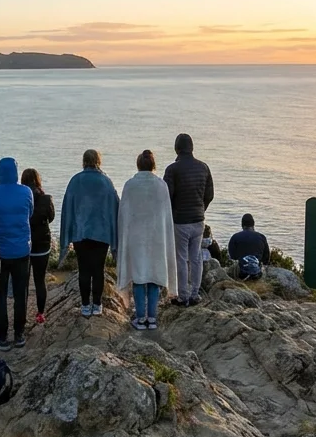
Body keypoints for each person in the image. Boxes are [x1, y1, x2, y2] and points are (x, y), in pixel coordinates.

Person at [116, 151, 176, 331]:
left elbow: (123, 214)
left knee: (139, 277)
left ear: (138, 165)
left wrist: (122, 238)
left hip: (136, 238)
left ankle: (140, 318)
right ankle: (152, 318)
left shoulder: (130, 185)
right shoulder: (161, 186)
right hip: (156, 237)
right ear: (153, 166)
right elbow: (166, 216)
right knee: (153, 277)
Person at [58, 149, 119, 317]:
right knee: (98, 269)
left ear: (83, 161)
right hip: (102, 234)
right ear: (99, 161)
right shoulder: (106, 181)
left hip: (80, 232)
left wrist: (68, 233)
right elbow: (114, 207)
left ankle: (85, 305)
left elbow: (67, 209)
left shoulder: (75, 181)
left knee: (84, 269)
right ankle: (97, 305)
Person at [0, 157, 34, 350]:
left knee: (0, 294)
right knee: (21, 293)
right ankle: (19, 334)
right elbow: (29, 213)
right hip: (22, 250)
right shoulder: (26, 192)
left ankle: (2, 336)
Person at [163, 133, 214, 306]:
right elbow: (209, 195)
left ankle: (183, 296)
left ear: (177, 149)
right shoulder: (204, 167)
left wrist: (172, 213)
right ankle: (195, 294)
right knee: (196, 257)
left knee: (181, 258)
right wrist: (201, 208)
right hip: (198, 220)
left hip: (180, 221)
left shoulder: (172, 170)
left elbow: (166, 196)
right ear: (192, 148)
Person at [21, 168, 55, 325]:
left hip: (24, 243)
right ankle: (40, 314)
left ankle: (22, 314)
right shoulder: (46, 199)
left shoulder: (20, 199)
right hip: (42, 243)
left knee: (23, 282)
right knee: (40, 280)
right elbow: (52, 218)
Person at [228, 214, 272, 280]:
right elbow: (266, 258)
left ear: (242, 225)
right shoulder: (262, 237)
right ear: (253, 224)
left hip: (241, 273)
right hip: (257, 273)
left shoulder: (235, 237)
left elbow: (232, 256)